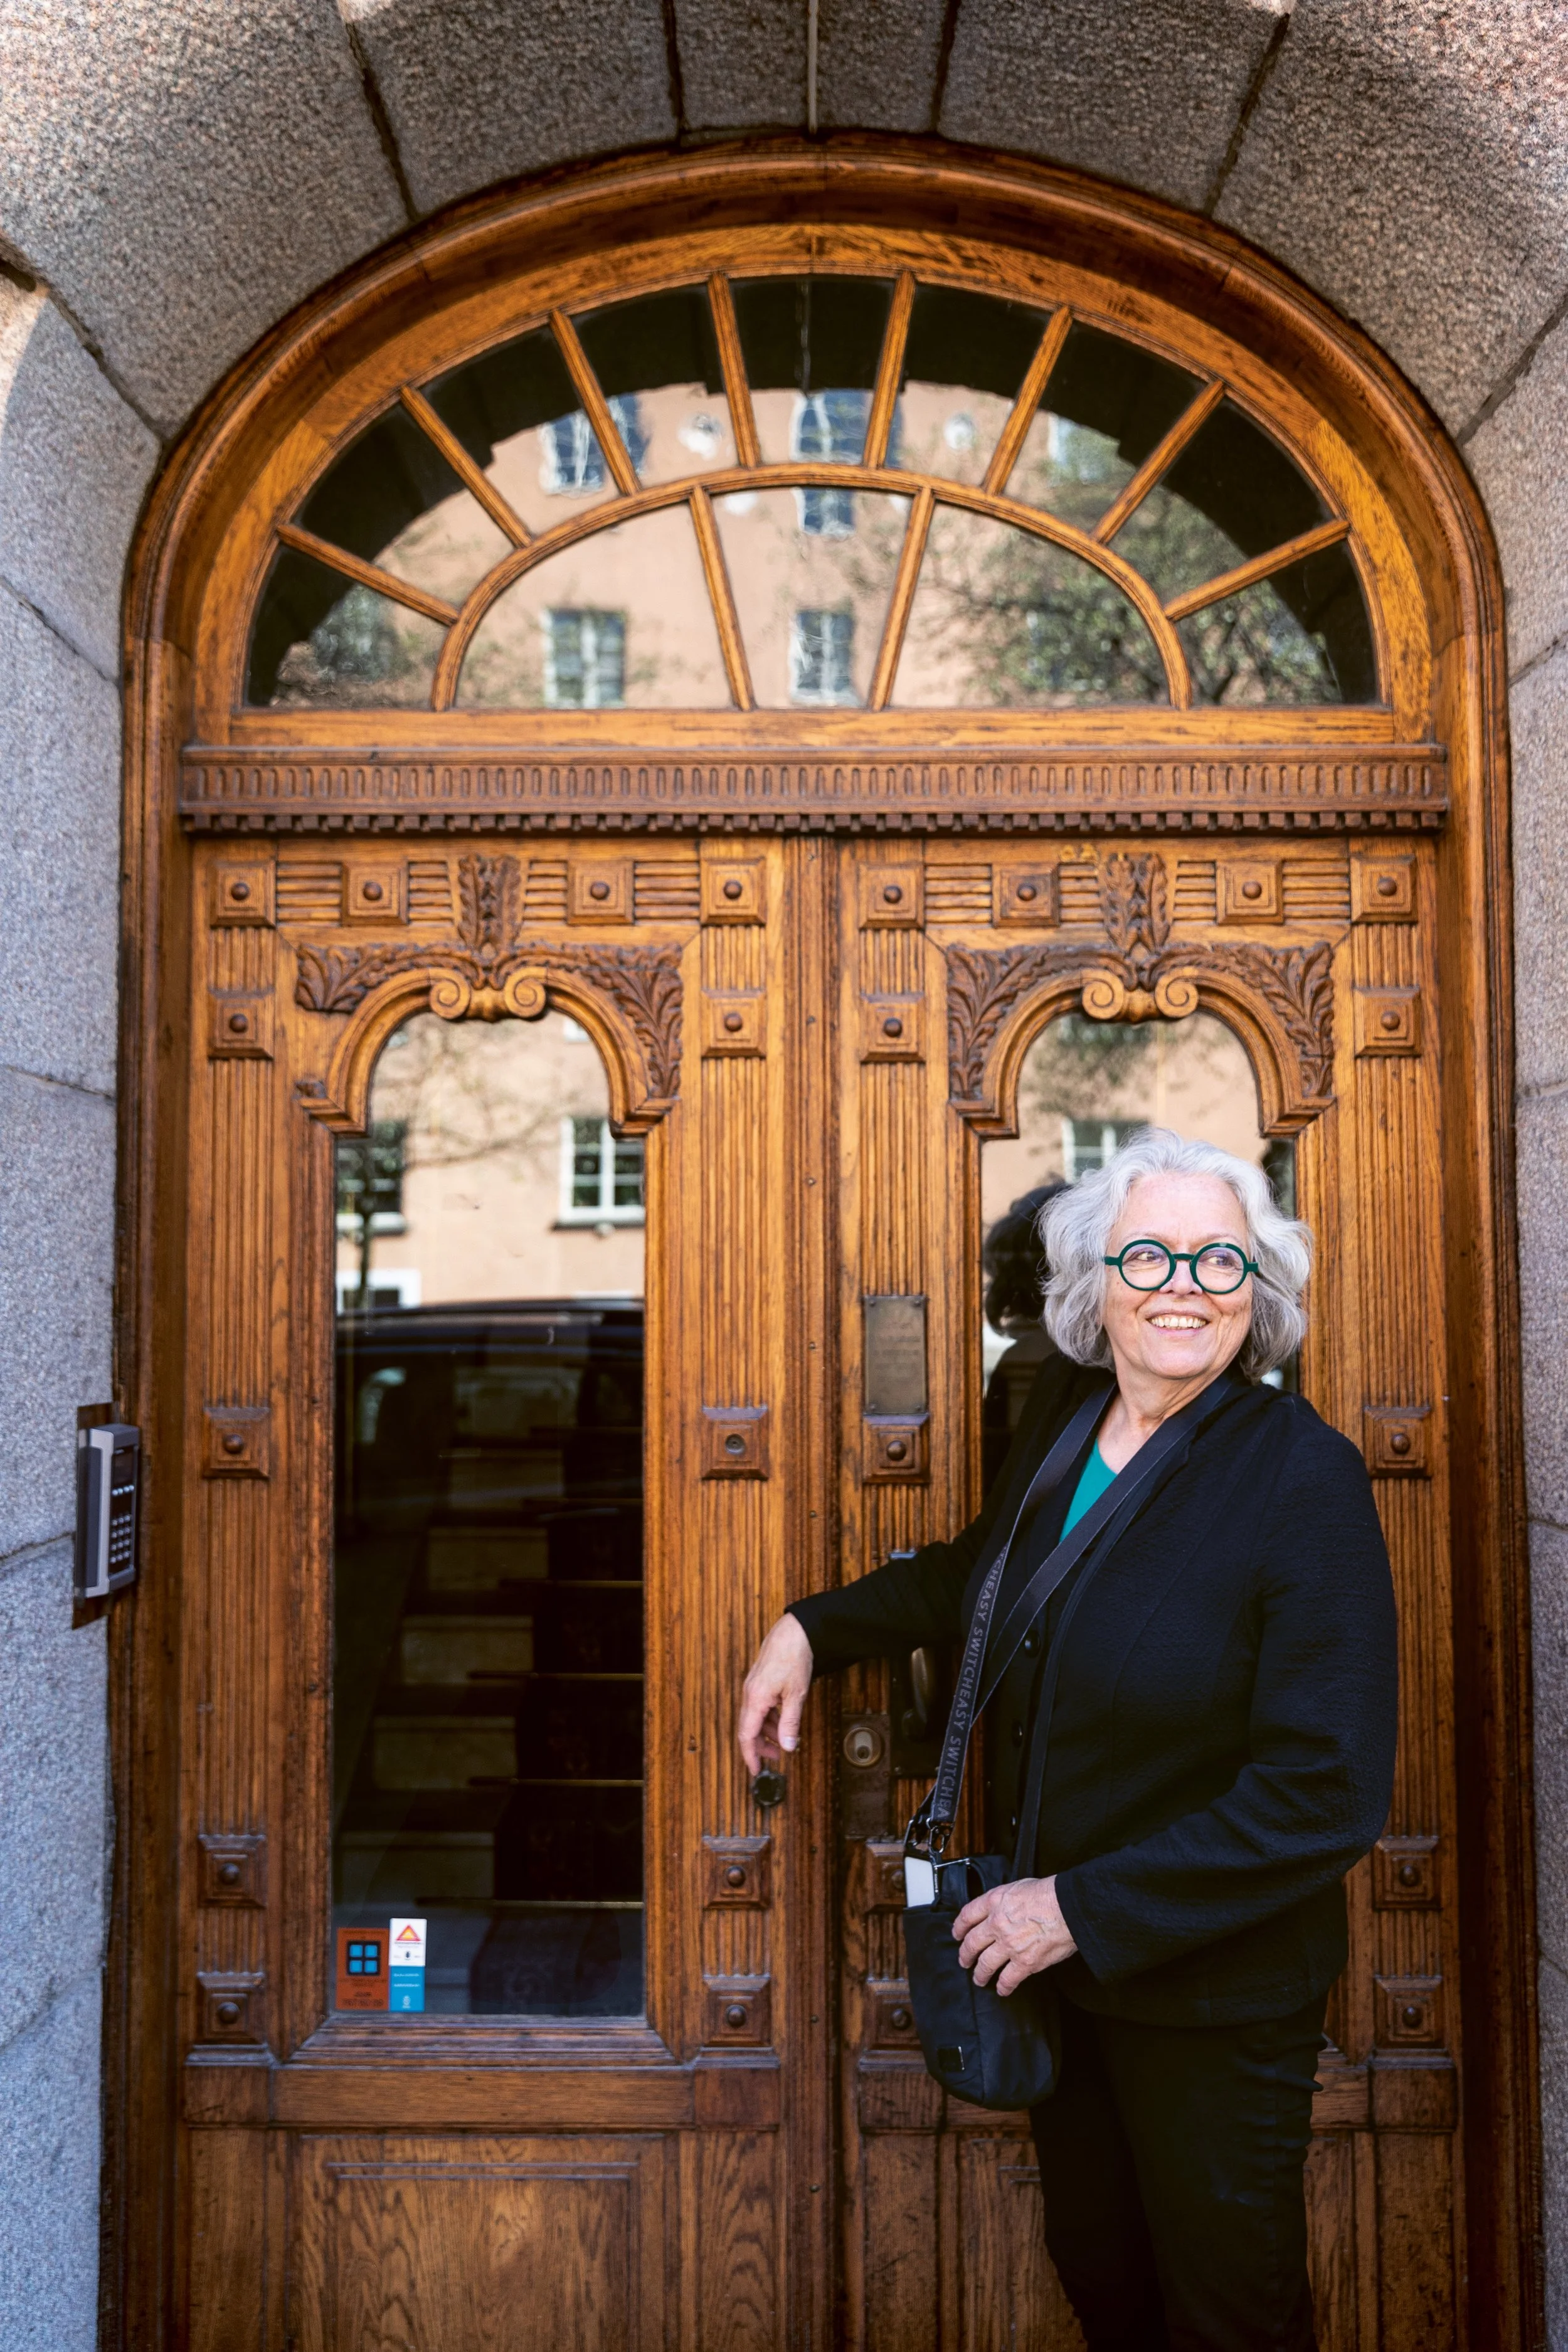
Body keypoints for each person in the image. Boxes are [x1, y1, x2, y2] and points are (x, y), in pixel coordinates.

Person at [738, 1127, 1397, 2352]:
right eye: (1147, 1255)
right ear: (1094, 1282)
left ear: (1257, 1294)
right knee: (1104, 2286)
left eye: (1217, 1261)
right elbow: (976, 1582)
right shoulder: (1066, 1422)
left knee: (1227, 2319)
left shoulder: (1300, 1478)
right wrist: (810, 1631)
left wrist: (1073, 1909)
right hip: (1063, 1989)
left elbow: (1325, 1789)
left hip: (1206, 1997)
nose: (1181, 1287)